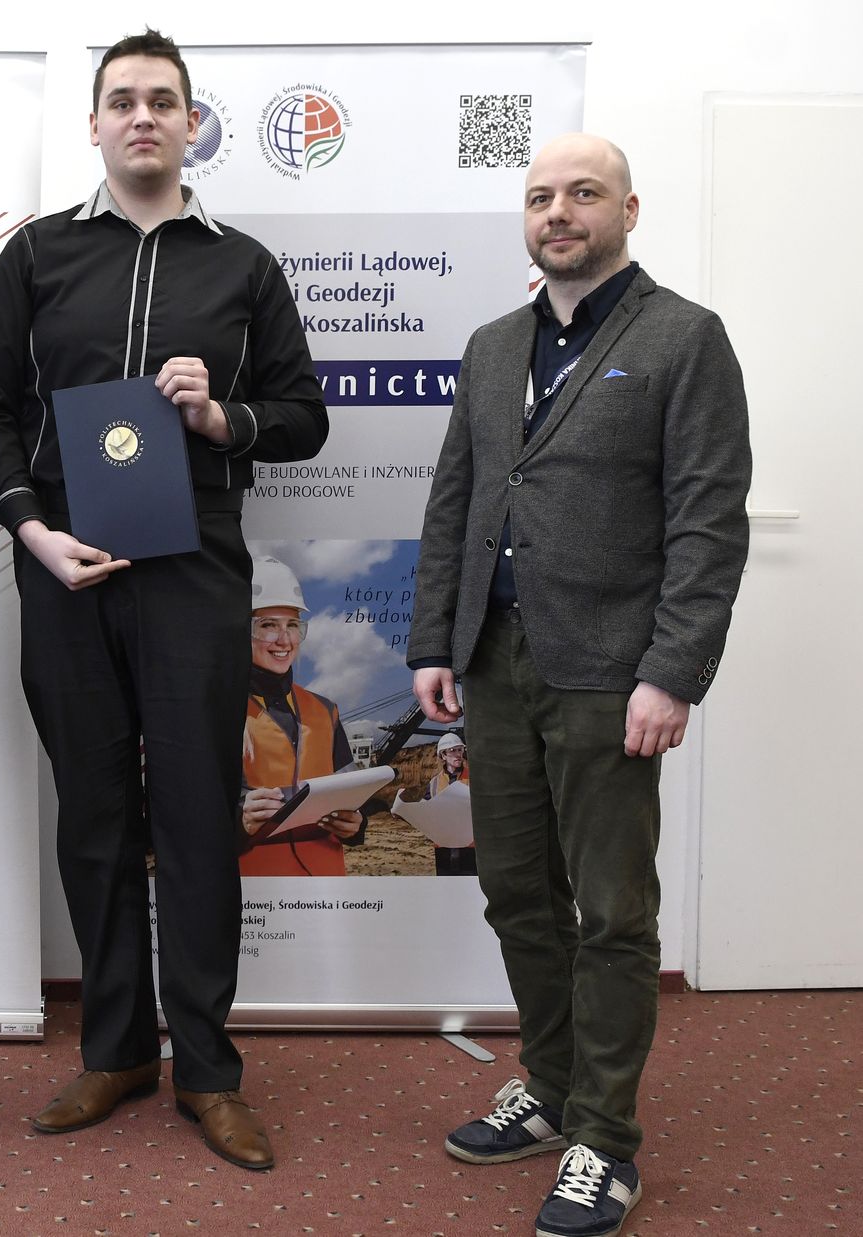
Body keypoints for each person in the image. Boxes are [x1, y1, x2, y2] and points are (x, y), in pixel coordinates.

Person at [0, 30, 326, 1171]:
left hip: (192, 572)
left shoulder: (243, 267)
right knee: (94, 813)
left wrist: (221, 416)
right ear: (93, 124)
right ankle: (116, 1048)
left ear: (190, 124)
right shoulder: (36, 256)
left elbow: (302, 416)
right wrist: (32, 530)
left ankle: (208, 1069)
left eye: (162, 101)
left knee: (196, 813)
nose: (142, 117)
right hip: (63, 565)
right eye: (121, 100)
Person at [406, 133, 751, 1237]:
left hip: (610, 671)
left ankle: (604, 1136)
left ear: (627, 211)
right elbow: (455, 503)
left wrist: (671, 672)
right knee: (516, 892)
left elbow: (707, 521)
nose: (557, 212)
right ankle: (551, 1086)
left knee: (610, 913)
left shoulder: (683, 338)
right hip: (492, 664)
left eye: (582, 193)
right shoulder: (492, 345)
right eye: (540, 196)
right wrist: (432, 642)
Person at [239, 555, 363, 877]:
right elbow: (186, 813)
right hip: (255, 887)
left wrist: (354, 824)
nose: (284, 640)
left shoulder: (325, 710)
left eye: (293, 625)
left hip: (325, 888)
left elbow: (350, 794)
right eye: (268, 625)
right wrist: (239, 821)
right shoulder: (216, 711)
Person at [422, 732, 476, 876]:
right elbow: (426, 810)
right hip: (443, 846)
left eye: (460, 750)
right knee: (446, 885)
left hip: (469, 847)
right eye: (452, 750)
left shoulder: (474, 778)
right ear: (443, 756)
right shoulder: (434, 783)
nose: (458, 754)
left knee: (469, 885)